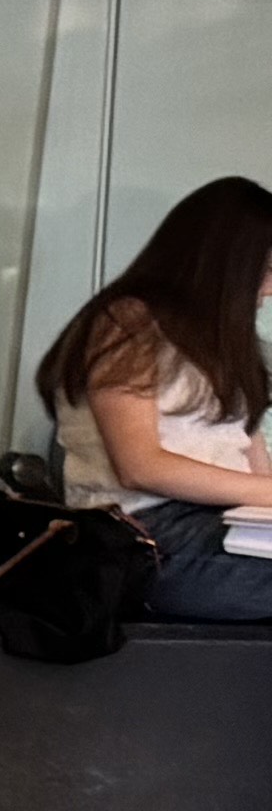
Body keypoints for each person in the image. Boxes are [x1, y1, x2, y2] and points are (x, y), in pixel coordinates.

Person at [39, 175, 272, 624]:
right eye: (264, 272)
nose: (267, 290)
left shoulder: (223, 344)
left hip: (224, 523)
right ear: (225, 264)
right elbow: (139, 465)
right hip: (144, 537)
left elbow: (250, 456)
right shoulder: (127, 323)